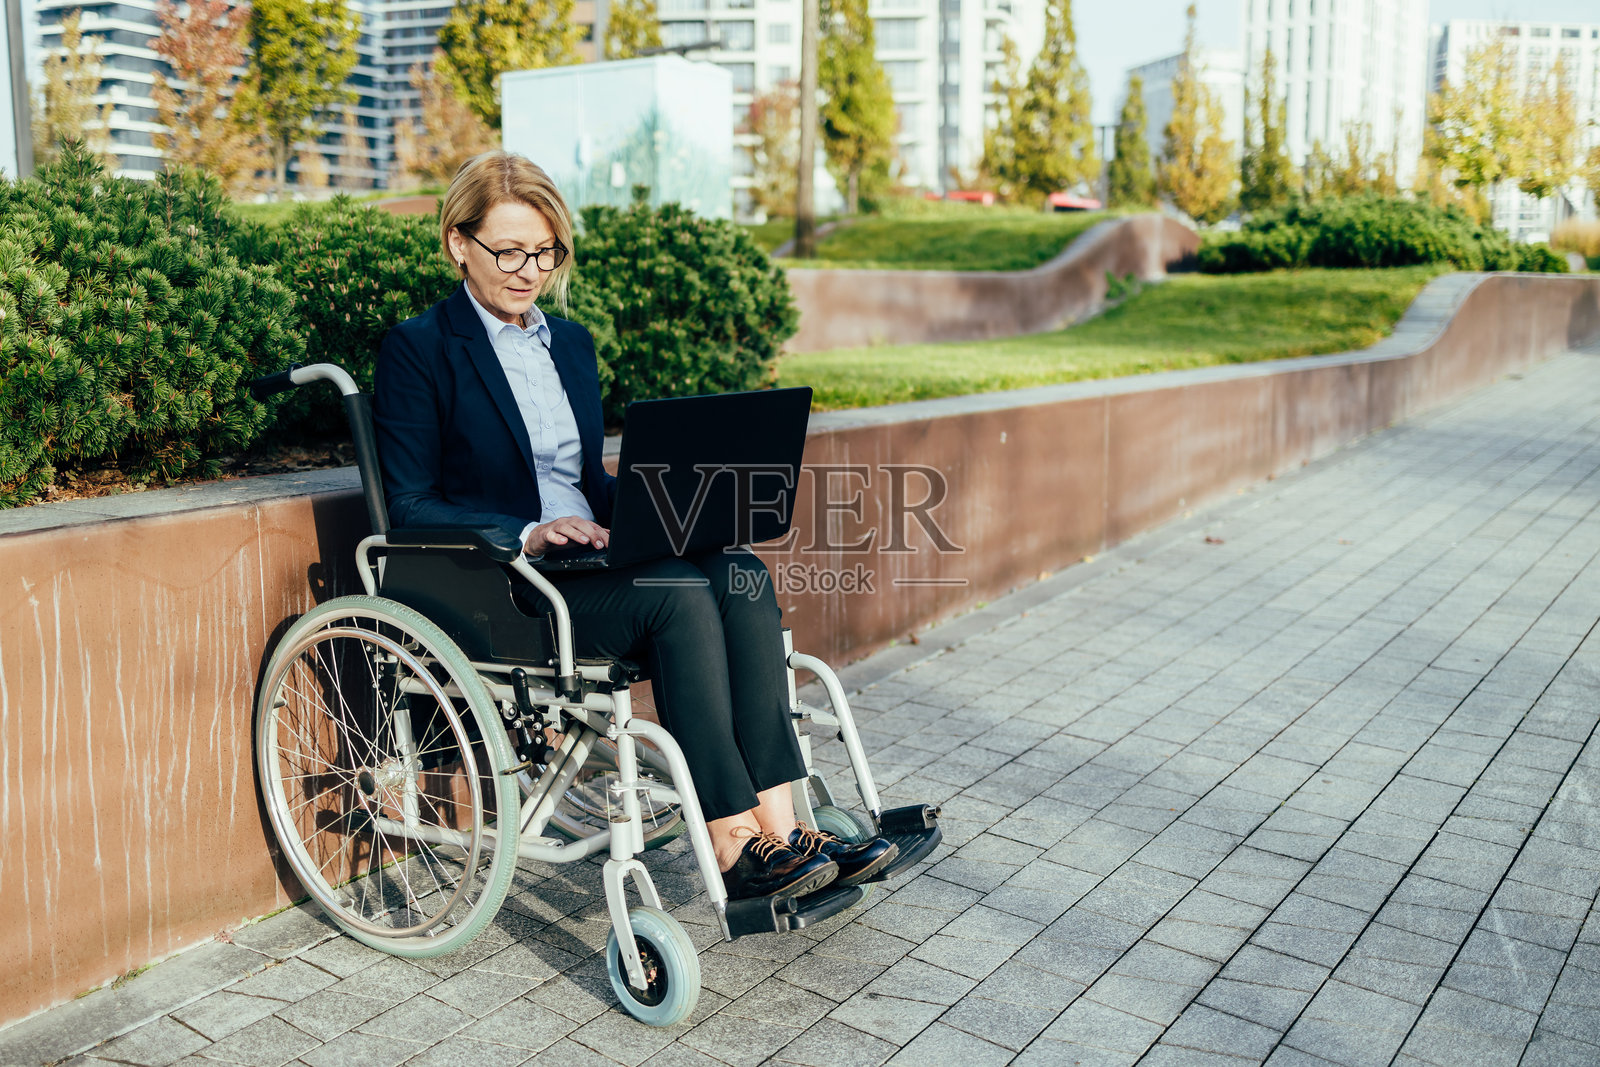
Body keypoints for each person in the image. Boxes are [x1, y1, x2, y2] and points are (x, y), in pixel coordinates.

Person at [372, 150, 896, 903]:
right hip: (507, 585)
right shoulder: (420, 349)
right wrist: (532, 530)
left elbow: (588, 485)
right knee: (678, 592)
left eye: (546, 252)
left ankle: (785, 827)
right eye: (510, 250)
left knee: (738, 570)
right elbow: (411, 504)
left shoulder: (571, 346)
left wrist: (681, 507)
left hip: (597, 567)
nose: (529, 270)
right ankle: (731, 844)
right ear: (458, 242)